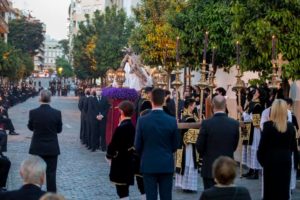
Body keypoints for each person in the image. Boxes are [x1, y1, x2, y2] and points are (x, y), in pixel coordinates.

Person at [135, 88, 179, 200]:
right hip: (166, 163)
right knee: (166, 196)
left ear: (151, 101)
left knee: (151, 197)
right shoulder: (172, 120)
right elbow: (176, 145)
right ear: (163, 100)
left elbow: (137, 145)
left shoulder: (142, 120)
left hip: (148, 163)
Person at [257, 99, 298, 200]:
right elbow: (293, 147)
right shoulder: (290, 127)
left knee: (270, 191)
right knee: (283, 190)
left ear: (273, 110)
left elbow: (261, 149)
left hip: (270, 161)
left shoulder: (267, 126)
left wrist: (264, 162)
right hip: (285, 161)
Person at [196, 95, 240, 189]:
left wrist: (207, 154)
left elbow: (199, 146)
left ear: (212, 106)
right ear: (225, 105)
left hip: (209, 167)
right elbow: (234, 146)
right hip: (227, 168)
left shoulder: (206, 123)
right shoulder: (234, 124)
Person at [27, 90, 63, 192]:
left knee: (37, 172)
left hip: (37, 147)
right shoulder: (57, 113)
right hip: (52, 147)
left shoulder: (33, 112)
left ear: (40, 98)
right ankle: (51, 196)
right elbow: (59, 130)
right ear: (50, 98)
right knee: (51, 173)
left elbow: (30, 127)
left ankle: (36, 194)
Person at [106, 101, 136, 199]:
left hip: (120, 162)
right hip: (129, 161)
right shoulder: (132, 126)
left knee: (121, 190)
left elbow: (113, 145)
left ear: (122, 112)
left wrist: (109, 155)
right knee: (124, 189)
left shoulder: (122, 127)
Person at [175, 98, 200, 192]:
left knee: (186, 163)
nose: (194, 107)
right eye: (194, 105)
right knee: (189, 163)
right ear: (190, 106)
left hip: (184, 144)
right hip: (189, 145)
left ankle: (185, 185)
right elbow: (193, 131)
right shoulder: (189, 118)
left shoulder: (185, 115)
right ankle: (188, 186)